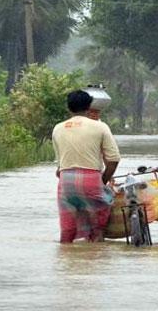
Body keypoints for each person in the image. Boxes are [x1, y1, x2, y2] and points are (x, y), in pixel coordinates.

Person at [52, 90, 121, 243]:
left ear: (69, 108)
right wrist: (103, 181)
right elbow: (114, 159)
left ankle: (65, 260)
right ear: (89, 107)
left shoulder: (58, 128)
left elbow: (59, 167)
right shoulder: (100, 127)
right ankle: (95, 250)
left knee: (67, 229)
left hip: (66, 181)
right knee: (97, 227)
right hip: (91, 180)